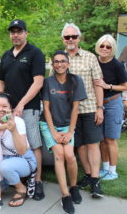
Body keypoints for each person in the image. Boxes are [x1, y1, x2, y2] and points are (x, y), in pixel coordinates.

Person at [0, 19, 45, 200]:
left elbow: (38, 82)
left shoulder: (35, 53)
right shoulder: (6, 55)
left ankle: (37, 181)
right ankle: (16, 177)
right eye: (12, 32)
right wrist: (1, 102)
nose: (15, 35)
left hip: (28, 108)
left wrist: (21, 104)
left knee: (33, 145)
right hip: (8, 110)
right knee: (6, 142)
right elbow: (0, 78)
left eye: (19, 31)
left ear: (26, 33)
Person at [59, 23, 104, 198]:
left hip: (90, 107)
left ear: (79, 38)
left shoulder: (90, 57)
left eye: (74, 36)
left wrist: (100, 108)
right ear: (63, 39)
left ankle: (95, 181)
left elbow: (98, 84)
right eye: (67, 37)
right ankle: (87, 174)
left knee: (93, 144)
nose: (70, 40)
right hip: (69, 112)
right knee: (80, 146)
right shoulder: (58, 58)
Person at [40, 51, 87, 214]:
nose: (59, 64)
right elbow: (46, 108)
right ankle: (65, 195)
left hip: (67, 125)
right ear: (52, 65)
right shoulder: (48, 82)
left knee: (70, 155)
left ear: (68, 63)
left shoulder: (76, 81)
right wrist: (53, 132)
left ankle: (73, 187)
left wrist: (70, 132)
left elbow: (76, 108)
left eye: (63, 61)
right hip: (49, 124)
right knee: (59, 155)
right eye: (56, 62)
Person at [94, 35, 127, 180]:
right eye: (102, 46)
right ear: (98, 47)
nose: (104, 49)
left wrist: (108, 86)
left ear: (112, 48)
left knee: (111, 139)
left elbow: (125, 86)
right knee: (101, 139)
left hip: (113, 103)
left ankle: (113, 172)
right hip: (99, 104)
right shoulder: (94, 62)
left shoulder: (117, 65)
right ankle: (105, 168)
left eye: (108, 46)